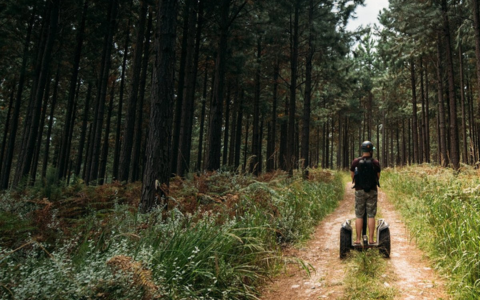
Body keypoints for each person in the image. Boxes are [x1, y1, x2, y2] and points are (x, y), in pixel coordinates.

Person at [350, 141, 381, 245]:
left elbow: (353, 176)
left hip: (359, 191)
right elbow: (378, 177)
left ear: (362, 150)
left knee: (359, 215)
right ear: (371, 151)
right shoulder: (375, 162)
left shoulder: (355, 162)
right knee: (371, 215)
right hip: (372, 191)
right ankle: (371, 240)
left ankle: (358, 239)